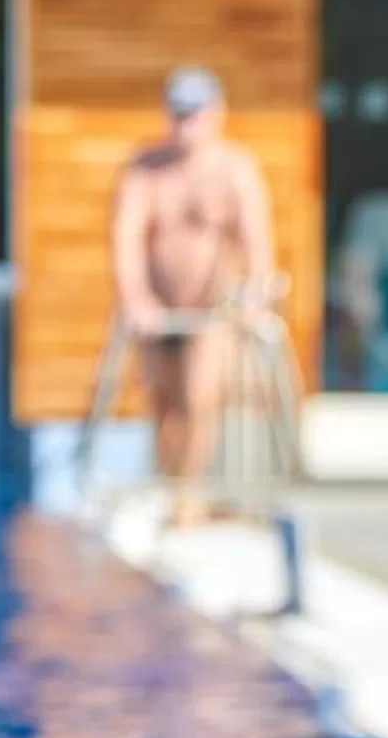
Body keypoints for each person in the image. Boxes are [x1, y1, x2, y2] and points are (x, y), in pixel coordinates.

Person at [109, 68, 274, 525]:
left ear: (216, 114)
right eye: (179, 113)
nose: (187, 123)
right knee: (161, 399)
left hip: (211, 308)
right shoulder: (147, 169)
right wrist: (137, 298)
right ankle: (172, 488)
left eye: (195, 113)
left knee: (198, 398)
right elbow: (125, 239)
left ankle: (189, 493)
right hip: (158, 309)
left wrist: (253, 296)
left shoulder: (235, 170)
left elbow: (257, 241)